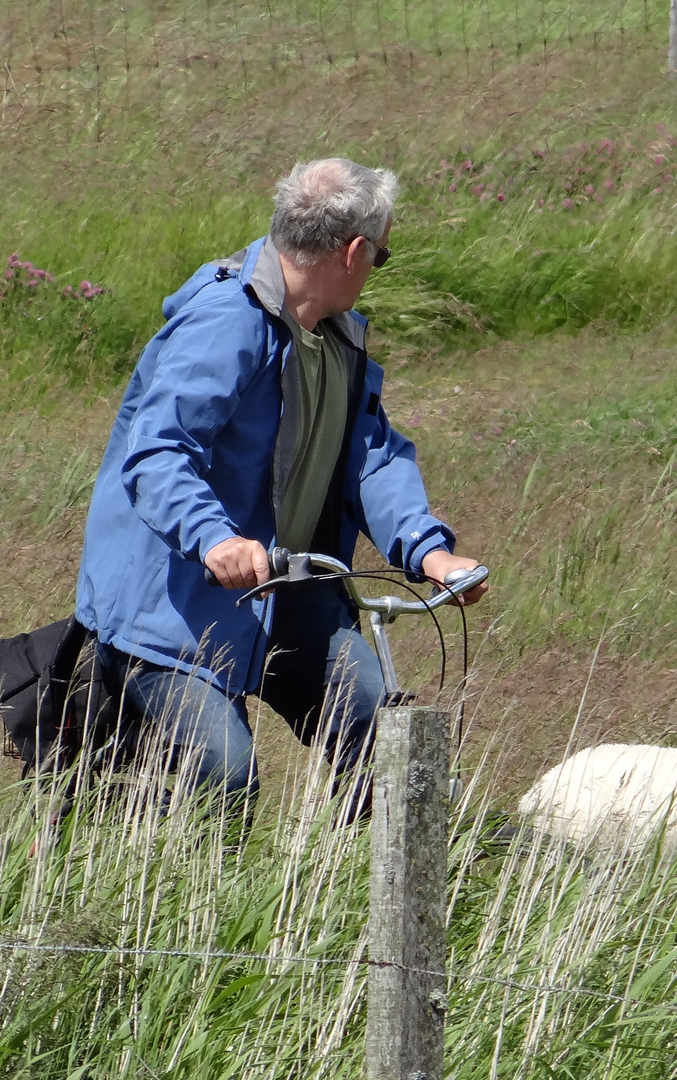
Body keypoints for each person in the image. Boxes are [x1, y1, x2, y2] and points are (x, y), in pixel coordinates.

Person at [74, 157, 486, 821]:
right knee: (224, 779)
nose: (375, 266)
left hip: (288, 590)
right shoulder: (225, 323)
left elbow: (372, 457)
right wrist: (213, 539)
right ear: (353, 252)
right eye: (380, 256)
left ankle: (385, 903)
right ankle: (190, 916)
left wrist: (428, 551)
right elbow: (155, 453)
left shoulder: (333, 338)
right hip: (175, 607)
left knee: (388, 744)